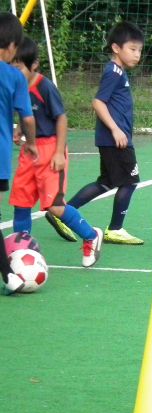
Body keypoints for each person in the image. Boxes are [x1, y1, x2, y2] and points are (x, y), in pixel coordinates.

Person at [48, 21, 145, 245]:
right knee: (130, 181)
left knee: (106, 182)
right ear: (116, 48)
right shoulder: (113, 71)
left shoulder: (118, 71)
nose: (137, 54)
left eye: (139, 50)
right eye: (132, 49)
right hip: (115, 140)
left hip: (113, 139)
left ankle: (63, 211)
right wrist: (116, 130)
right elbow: (98, 102)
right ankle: (115, 229)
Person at [10, 37, 103, 267]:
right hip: (29, 150)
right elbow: (25, 111)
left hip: (50, 148)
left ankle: (91, 235)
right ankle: (22, 253)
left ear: (34, 65)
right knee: (21, 202)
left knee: (54, 206)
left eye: (18, 67)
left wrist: (59, 152)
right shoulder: (16, 85)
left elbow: (61, 119)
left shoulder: (45, 87)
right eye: (10, 66)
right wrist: (20, 129)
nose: (13, 71)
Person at [0, 13, 37, 294]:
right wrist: (31, 142)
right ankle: (8, 275)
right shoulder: (14, 77)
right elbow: (28, 118)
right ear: (13, 46)